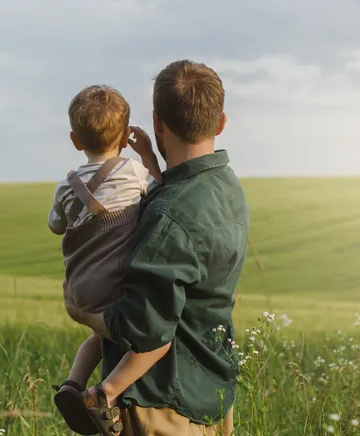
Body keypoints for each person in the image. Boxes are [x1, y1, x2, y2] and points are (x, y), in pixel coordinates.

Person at [77, 60, 249, 436]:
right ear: (220, 123)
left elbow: (141, 331)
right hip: (213, 394)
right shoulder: (227, 188)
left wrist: (82, 313)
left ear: (157, 123)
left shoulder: (167, 217)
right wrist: (152, 165)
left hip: (160, 404)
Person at [47, 84, 168, 435]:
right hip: (116, 285)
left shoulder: (66, 186)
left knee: (102, 339)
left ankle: (72, 384)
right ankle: (104, 394)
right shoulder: (133, 172)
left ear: (74, 139)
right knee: (155, 340)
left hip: (80, 287)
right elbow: (160, 189)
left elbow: (56, 226)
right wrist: (148, 155)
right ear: (126, 133)